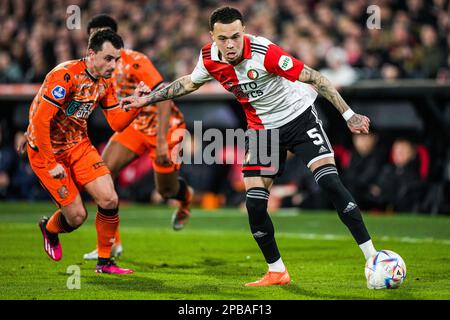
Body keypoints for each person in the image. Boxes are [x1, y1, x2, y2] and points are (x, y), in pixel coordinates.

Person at [121, 6, 378, 287]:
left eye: (235, 36)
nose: (230, 44)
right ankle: (277, 271)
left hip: (300, 118)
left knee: (329, 182)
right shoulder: (208, 58)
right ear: (212, 36)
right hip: (262, 130)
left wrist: (349, 115)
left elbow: (316, 78)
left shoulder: (265, 52)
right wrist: (146, 100)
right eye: (223, 38)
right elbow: (187, 84)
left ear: (243, 31)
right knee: (255, 205)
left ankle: (372, 257)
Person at [26, 29, 143, 274]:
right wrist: (50, 162)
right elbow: (40, 121)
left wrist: (136, 104)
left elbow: (116, 123)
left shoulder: (105, 83)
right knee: (77, 217)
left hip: (79, 145)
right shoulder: (65, 76)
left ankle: (105, 262)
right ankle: (49, 228)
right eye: (109, 58)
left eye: (117, 60)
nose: (114, 65)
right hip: (47, 151)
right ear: (91, 53)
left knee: (109, 198)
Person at [82, 15, 193, 261]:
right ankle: (111, 244)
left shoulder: (136, 60)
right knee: (99, 175)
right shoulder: (93, 67)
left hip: (165, 129)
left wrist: (163, 141)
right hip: (135, 128)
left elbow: (165, 96)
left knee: (166, 191)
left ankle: (185, 199)